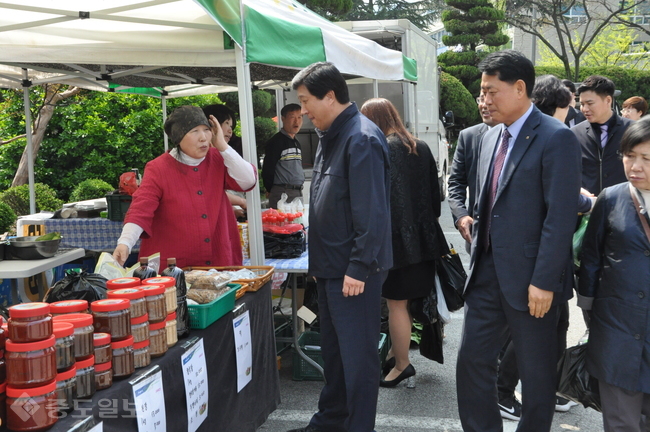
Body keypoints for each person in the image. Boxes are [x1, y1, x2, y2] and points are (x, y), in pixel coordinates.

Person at [455, 50, 581, 432]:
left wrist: (543, 280)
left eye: (492, 91)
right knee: (472, 364)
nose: (484, 100)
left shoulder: (556, 137)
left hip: (533, 280)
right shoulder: (489, 137)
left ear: (520, 88)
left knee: (537, 374)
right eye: (482, 91)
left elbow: (559, 218)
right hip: (486, 274)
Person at [288, 62, 392, 432]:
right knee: (335, 356)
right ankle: (330, 421)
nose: (302, 111)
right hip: (333, 269)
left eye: (305, 101)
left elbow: (373, 212)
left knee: (358, 360)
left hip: (353, 273)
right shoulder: (333, 134)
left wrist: (358, 267)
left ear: (330, 96)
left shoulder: (361, 137)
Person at [360, 97, 442, 388]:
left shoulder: (381, 149)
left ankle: (403, 365)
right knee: (405, 304)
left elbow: (374, 201)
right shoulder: (421, 146)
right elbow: (436, 199)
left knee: (396, 305)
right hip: (425, 239)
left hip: (395, 242)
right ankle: (397, 353)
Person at [112, 105, 257, 268]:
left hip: (218, 262)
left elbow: (248, 180)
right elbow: (140, 209)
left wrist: (222, 145)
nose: (203, 137)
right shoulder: (158, 168)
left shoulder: (217, 158)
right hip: (174, 265)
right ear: (179, 137)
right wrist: (125, 242)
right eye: (194, 131)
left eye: (206, 129)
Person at [578, 116, 650, 432]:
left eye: (646, 159)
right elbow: (591, 256)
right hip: (616, 329)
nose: (635, 165)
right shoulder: (612, 197)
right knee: (621, 422)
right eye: (629, 155)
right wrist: (589, 308)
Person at [573, 75, 633, 198]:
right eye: (582, 104)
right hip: (587, 209)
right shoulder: (574, 134)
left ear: (608, 100)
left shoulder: (632, 131)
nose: (584, 109)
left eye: (590, 103)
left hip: (625, 206)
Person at [203, 104, 247, 218]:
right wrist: (240, 202)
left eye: (231, 126)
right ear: (213, 123)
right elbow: (210, 191)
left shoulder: (224, 152)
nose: (230, 130)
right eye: (226, 123)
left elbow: (249, 179)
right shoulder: (202, 154)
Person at [262, 103, 305, 209]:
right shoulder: (276, 141)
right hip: (283, 192)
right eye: (292, 117)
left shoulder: (296, 142)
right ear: (283, 118)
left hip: (297, 191)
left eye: (299, 117)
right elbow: (268, 168)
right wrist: (269, 189)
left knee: (299, 223)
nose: (296, 121)